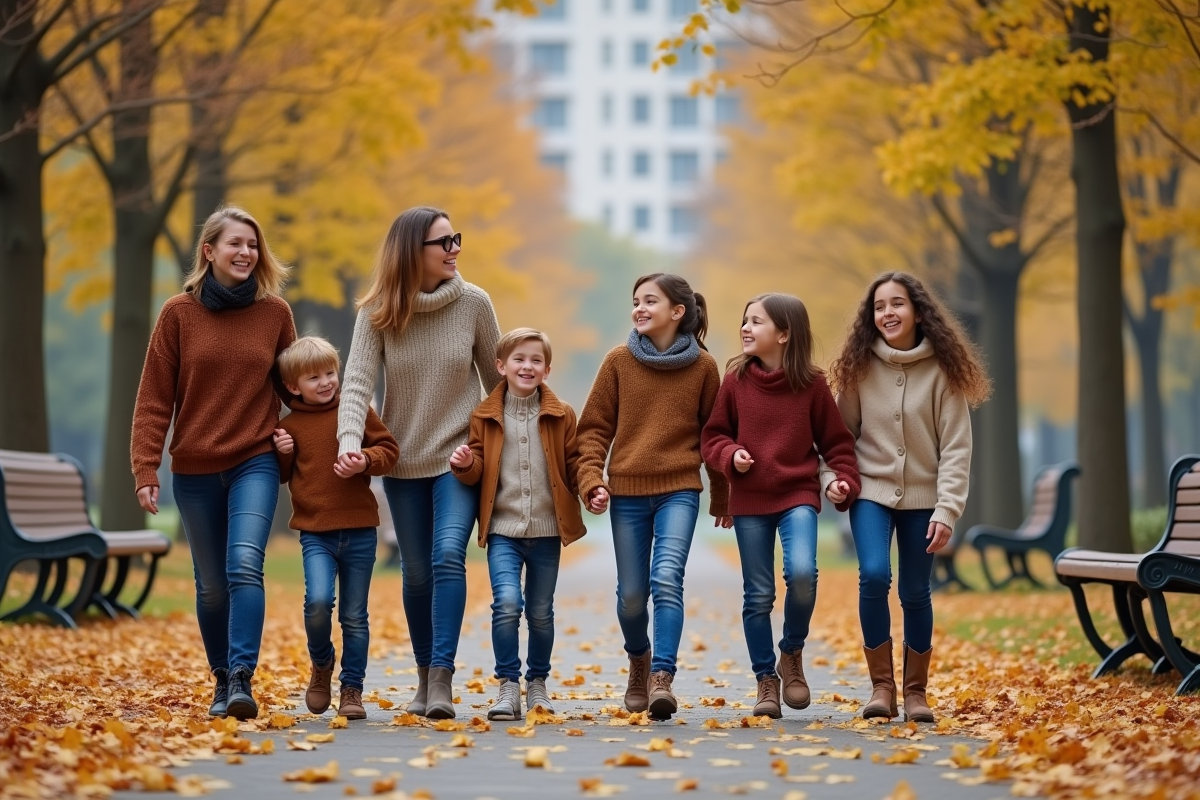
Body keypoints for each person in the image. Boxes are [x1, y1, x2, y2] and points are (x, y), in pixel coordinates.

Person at [131, 205, 295, 720]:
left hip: (256, 459)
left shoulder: (276, 315)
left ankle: (244, 677)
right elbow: (155, 398)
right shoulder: (178, 315)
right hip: (195, 468)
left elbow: (298, 387)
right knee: (211, 584)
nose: (246, 252)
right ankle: (221, 679)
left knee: (245, 564)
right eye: (235, 244)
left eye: (253, 244)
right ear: (209, 251)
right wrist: (145, 467)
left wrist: (300, 438)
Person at [337, 206, 502, 719]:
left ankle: (441, 678)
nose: (455, 248)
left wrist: (494, 445)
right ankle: (422, 672)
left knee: (448, 554)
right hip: (404, 461)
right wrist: (349, 440)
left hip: (458, 457)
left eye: (456, 239)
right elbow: (358, 381)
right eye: (443, 242)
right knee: (415, 574)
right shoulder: (379, 312)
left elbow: (499, 386)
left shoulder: (475, 304)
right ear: (413, 252)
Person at [824, 271, 991, 722]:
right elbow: (839, 439)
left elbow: (957, 447)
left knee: (916, 591)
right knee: (875, 575)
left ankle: (916, 693)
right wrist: (834, 479)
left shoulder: (943, 371)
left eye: (897, 304)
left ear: (918, 311)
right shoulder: (858, 368)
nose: (887, 313)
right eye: (879, 307)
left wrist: (948, 509)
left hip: (925, 497)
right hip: (870, 493)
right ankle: (883, 689)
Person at [577, 273, 731, 720]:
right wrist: (592, 480)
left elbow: (714, 436)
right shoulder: (618, 361)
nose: (639, 308)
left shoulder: (704, 367)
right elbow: (592, 431)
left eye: (650, 301)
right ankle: (639, 660)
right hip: (626, 493)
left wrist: (721, 496)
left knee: (667, 579)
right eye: (636, 301)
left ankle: (662, 676)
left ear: (677, 312)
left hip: (679, 489)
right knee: (631, 595)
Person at [701, 294, 860, 719]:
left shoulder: (812, 384)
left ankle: (790, 650)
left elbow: (837, 443)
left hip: (797, 494)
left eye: (757, 321)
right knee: (758, 594)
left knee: (803, 574)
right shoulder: (735, 381)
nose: (746, 328)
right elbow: (712, 436)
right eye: (745, 320)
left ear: (785, 334)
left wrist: (843, 480)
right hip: (751, 499)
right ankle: (765, 680)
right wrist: (730, 454)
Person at [448, 328, 586, 721]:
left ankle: (537, 685)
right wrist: (464, 465)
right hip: (504, 531)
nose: (527, 366)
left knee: (540, 612)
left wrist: (590, 488)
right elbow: (477, 468)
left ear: (547, 369)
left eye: (536, 360)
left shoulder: (562, 415)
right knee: (507, 604)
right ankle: (508, 685)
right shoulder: (485, 415)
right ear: (501, 366)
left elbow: (574, 463)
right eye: (519, 359)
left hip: (546, 532)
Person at [272, 337, 399, 720]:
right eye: (314, 377)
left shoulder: (355, 410)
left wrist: (364, 461)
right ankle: (322, 663)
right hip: (316, 532)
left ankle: (352, 689)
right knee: (317, 603)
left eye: (330, 372)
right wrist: (285, 454)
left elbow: (388, 451)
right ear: (294, 386)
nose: (326, 381)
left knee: (354, 616)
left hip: (360, 529)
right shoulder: (289, 426)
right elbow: (281, 478)